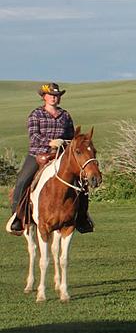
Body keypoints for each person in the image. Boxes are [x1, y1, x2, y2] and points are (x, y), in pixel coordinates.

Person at [6, 83, 92, 236]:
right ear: (43, 97)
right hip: (38, 155)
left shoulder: (65, 115)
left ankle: (82, 218)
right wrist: (50, 142)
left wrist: (66, 142)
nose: (54, 98)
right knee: (22, 182)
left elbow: (72, 138)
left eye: (57, 95)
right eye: (51, 95)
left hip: (60, 155)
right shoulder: (35, 114)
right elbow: (34, 137)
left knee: (81, 184)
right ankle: (17, 217)